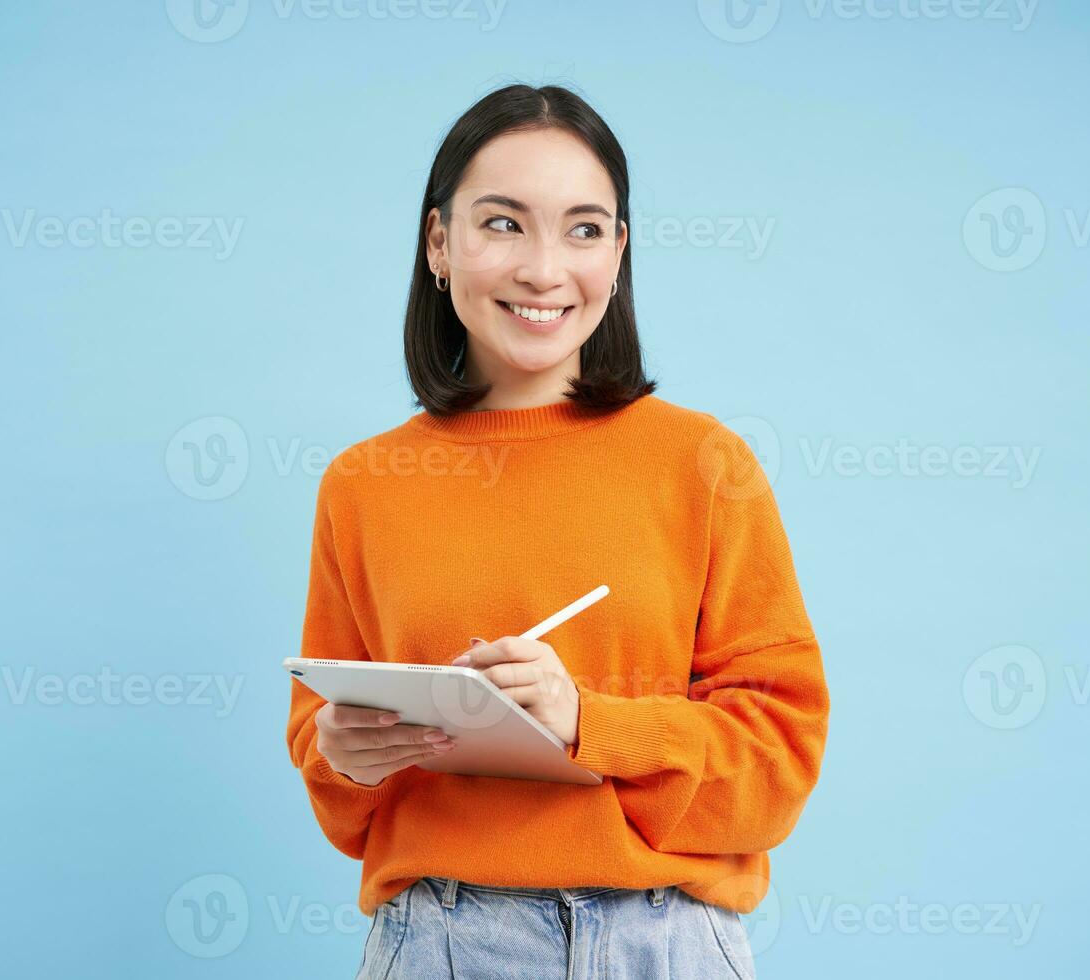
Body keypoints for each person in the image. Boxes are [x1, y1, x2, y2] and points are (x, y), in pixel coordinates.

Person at [285, 82, 830, 980]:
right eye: (503, 224)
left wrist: (587, 722)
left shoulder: (703, 462)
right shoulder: (363, 484)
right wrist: (346, 757)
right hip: (442, 942)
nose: (545, 269)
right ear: (438, 245)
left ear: (618, 254)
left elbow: (779, 764)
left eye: (583, 229)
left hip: (667, 943)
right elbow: (331, 780)